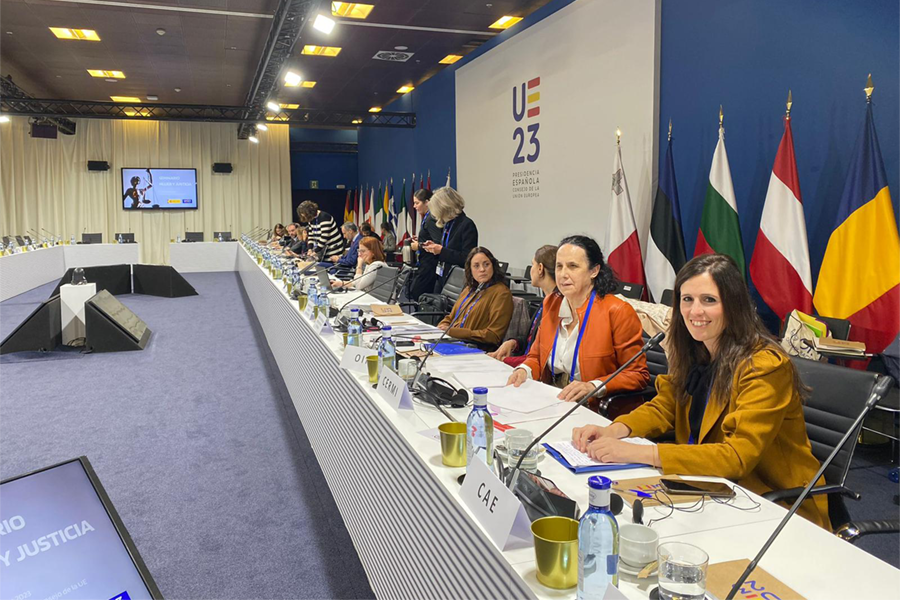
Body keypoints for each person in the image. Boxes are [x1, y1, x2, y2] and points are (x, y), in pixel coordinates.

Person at [571, 254, 830, 529]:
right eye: (687, 299)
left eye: (709, 300)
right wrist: (616, 430)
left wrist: (635, 453)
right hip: (704, 486)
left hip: (767, 502)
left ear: (733, 305)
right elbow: (665, 406)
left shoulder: (764, 366)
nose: (695, 311)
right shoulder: (696, 350)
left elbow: (736, 458)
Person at [506, 235, 649, 402]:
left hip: (592, 404)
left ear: (594, 271)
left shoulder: (617, 311)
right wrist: (524, 370)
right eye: (559, 266)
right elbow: (536, 357)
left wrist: (594, 386)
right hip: (550, 395)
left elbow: (638, 375)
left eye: (573, 266)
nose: (563, 274)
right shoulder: (552, 303)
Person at [488, 245, 558, 367]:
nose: (531, 270)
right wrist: (513, 343)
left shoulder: (557, 307)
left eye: (533, 264)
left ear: (540, 268)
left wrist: (504, 361)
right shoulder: (546, 300)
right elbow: (531, 339)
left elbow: (543, 358)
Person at [436, 247, 513, 351]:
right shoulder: (469, 289)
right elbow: (451, 317)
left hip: (475, 347)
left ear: (493, 266)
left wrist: (453, 332)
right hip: (453, 342)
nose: (482, 269)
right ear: (470, 270)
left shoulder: (501, 293)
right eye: (476, 266)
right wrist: (443, 326)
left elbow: (494, 335)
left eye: (486, 264)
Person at [421, 187, 478, 293]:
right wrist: (435, 247)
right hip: (443, 276)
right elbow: (448, 248)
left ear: (445, 207)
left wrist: (441, 251)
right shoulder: (448, 224)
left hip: (457, 281)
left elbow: (467, 258)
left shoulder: (466, 225)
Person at [408, 188, 441, 300]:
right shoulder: (427, 218)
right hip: (425, 263)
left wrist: (419, 245)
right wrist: (421, 239)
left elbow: (438, 242)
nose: (414, 206)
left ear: (427, 202)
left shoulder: (431, 219)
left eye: (417, 203)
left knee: (418, 293)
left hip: (429, 265)